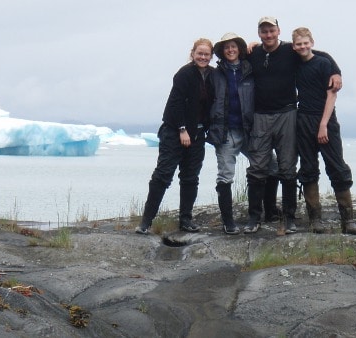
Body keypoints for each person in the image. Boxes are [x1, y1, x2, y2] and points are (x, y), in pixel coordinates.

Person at [245, 16, 342, 234]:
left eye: (271, 30)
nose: (268, 35)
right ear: (259, 33)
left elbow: (318, 55)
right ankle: (254, 217)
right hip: (260, 115)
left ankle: (288, 218)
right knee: (257, 167)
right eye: (264, 31)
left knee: (288, 166)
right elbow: (230, 55)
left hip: (287, 113)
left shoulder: (291, 51)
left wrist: (336, 71)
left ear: (278, 31)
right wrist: (249, 45)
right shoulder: (252, 53)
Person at [135, 38, 215, 235]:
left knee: (190, 178)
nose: (203, 57)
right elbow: (175, 103)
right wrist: (182, 129)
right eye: (200, 53)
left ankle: (185, 220)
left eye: (206, 54)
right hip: (175, 132)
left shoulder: (213, 75)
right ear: (193, 54)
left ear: (211, 56)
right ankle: (146, 221)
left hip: (197, 134)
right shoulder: (184, 74)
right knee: (163, 175)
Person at [208, 32, 280, 235]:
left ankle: (270, 211)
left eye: (234, 46)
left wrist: (255, 45)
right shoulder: (216, 74)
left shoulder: (249, 68)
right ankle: (228, 221)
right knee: (226, 176)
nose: (230, 50)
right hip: (226, 132)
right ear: (222, 52)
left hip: (249, 130)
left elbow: (265, 51)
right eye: (226, 47)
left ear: (239, 48)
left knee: (272, 165)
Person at [292, 27, 356, 235]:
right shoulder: (293, 63)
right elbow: (275, 49)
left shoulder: (323, 63)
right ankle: (315, 219)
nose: (302, 47)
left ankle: (348, 220)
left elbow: (332, 95)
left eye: (305, 43)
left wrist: (323, 124)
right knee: (308, 167)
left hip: (326, 120)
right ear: (294, 45)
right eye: (298, 44)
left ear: (312, 42)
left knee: (336, 166)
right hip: (302, 119)